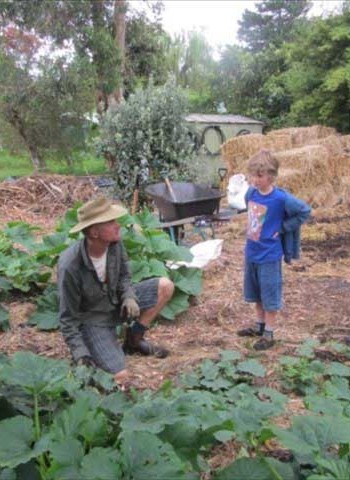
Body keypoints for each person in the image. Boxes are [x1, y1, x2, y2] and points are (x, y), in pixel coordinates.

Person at [58, 196, 174, 387]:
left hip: (116, 304)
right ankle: (100, 351)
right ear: (94, 232)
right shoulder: (70, 266)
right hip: (94, 320)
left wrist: (129, 296)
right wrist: (81, 355)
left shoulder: (114, 245)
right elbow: (67, 319)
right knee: (121, 376)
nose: (117, 225)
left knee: (165, 286)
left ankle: (134, 340)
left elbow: (124, 276)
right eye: (111, 222)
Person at [237, 150, 311, 350]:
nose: (254, 179)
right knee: (256, 292)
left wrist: (283, 228)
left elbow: (305, 211)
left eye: (259, 176)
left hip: (269, 254)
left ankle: (269, 334)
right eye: (252, 175)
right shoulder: (251, 193)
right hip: (252, 251)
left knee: (270, 293)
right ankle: (259, 326)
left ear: (271, 176)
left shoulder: (280, 198)